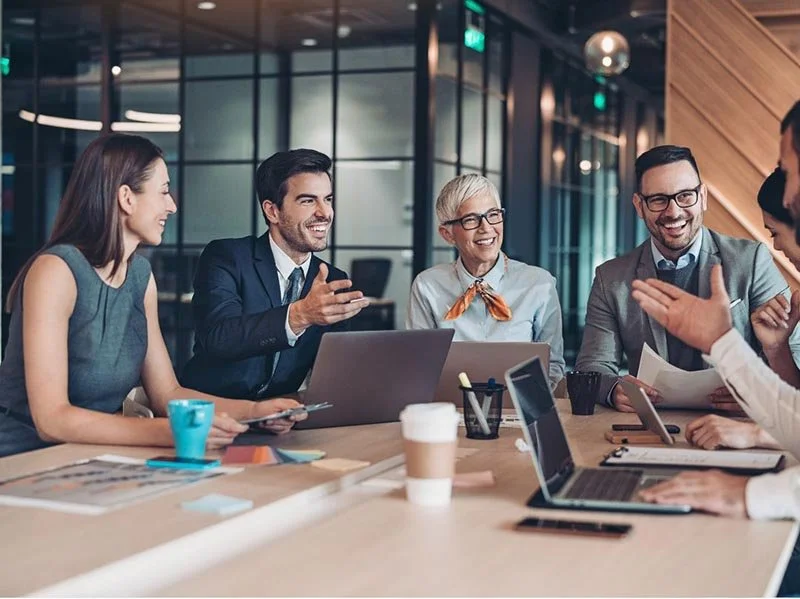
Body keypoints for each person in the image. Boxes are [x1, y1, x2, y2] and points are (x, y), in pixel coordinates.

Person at [0, 134, 301, 458]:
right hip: (24, 459)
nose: (172, 205)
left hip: (93, 456)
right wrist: (167, 432)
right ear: (126, 198)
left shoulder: (140, 276)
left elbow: (166, 394)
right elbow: (51, 420)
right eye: (163, 191)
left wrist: (254, 412)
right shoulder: (56, 270)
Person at [629, 101, 800, 521]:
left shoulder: (749, 258)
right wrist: (722, 342)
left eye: (789, 168)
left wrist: (748, 494)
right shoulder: (614, 273)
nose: (787, 192)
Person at [575, 144, 800, 412]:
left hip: (734, 422)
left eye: (685, 196)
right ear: (639, 205)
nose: (673, 212)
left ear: (702, 197)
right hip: (649, 424)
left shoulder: (751, 260)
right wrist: (614, 390)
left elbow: (791, 351)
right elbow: (592, 366)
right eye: (658, 199)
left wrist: (757, 392)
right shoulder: (610, 278)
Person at [181, 149, 368, 399]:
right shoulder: (227, 257)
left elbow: (332, 371)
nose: (325, 212)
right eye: (308, 201)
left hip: (281, 412)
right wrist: (300, 315)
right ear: (272, 211)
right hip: (211, 409)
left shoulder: (332, 280)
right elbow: (219, 337)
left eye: (328, 199)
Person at [406, 174, 565, 388]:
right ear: (447, 234)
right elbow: (418, 366)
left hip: (519, 407)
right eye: (471, 220)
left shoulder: (539, 284)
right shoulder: (427, 286)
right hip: (449, 406)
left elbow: (553, 366)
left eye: (493, 215)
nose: (487, 228)